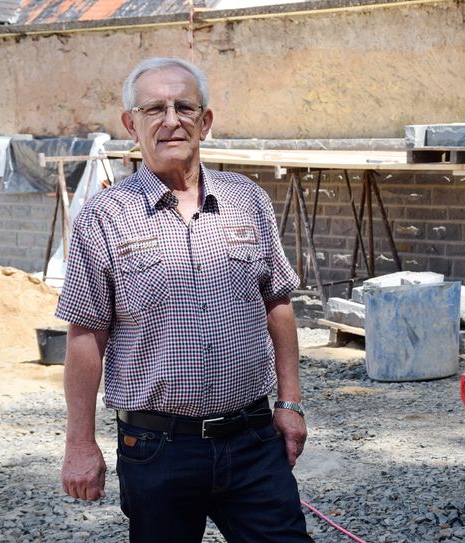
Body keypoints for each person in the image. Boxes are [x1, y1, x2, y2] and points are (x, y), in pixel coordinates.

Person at [56, 57, 313, 542]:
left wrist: (291, 403)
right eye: (154, 108)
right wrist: (79, 443)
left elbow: (277, 303)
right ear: (131, 124)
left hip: (254, 439)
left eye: (184, 107)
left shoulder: (249, 200)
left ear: (206, 121)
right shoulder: (104, 216)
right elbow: (86, 334)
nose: (171, 120)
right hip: (157, 448)